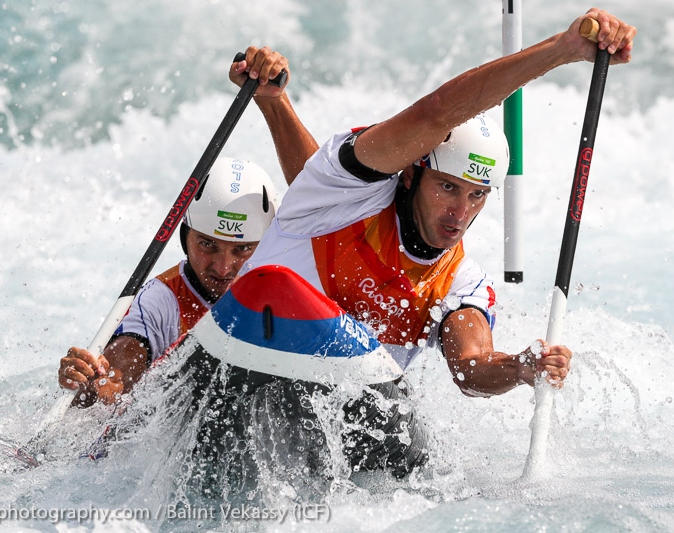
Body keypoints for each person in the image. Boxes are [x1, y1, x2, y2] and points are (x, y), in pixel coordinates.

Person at [242, 9, 636, 397]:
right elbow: (436, 113)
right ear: (411, 173)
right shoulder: (348, 186)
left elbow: (472, 366)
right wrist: (562, 48)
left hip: (353, 418)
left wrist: (519, 367)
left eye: (477, 194)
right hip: (254, 342)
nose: (460, 212)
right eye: (447, 187)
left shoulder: (460, 282)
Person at [58, 47, 319, 407]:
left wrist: (275, 101)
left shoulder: (296, 277)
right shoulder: (161, 300)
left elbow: (325, 196)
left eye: (243, 249)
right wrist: (93, 386)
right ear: (185, 236)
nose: (223, 268)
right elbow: (117, 379)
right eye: (208, 245)